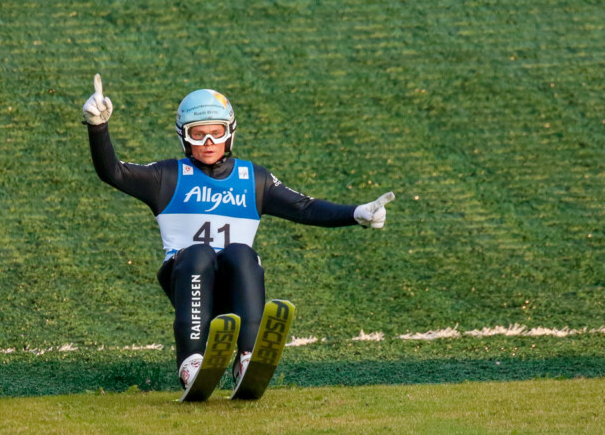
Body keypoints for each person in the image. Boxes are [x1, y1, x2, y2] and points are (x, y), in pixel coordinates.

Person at [82, 75, 394, 389]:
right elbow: (114, 172)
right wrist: (98, 127)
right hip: (187, 277)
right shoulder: (167, 176)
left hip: (235, 282)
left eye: (215, 134)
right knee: (200, 253)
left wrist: (356, 213)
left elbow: (305, 208)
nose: (207, 143)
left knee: (242, 252)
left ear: (229, 133)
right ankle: (192, 362)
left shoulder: (253, 178)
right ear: (184, 137)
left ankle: (247, 359)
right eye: (198, 134)